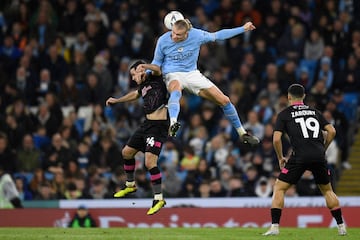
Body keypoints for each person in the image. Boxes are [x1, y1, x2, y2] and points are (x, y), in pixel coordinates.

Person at [150, 18, 259, 147]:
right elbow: (156, 63)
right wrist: (146, 73)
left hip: (192, 73)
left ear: (186, 33)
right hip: (172, 73)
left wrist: (243, 28)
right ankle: (173, 122)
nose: (173, 36)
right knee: (176, 88)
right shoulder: (163, 40)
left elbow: (219, 35)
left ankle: (242, 133)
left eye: (178, 35)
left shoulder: (196, 35)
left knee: (225, 100)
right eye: (172, 32)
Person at [263, 84, 347, 236]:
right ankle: (341, 226)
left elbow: (276, 140)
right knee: (327, 190)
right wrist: (323, 148)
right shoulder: (315, 112)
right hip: (319, 155)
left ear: (289, 97)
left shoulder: (284, 114)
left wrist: (280, 157)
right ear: (304, 96)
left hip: (299, 156)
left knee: (279, 187)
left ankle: (275, 227)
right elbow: (332, 131)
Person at [106, 60, 168, 215]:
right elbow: (135, 94)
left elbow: (157, 69)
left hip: (158, 127)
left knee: (149, 162)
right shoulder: (143, 86)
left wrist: (146, 66)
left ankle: (158, 198)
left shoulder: (155, 78)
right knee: (126, 152)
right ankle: (130, 184)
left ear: (141, 70)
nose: (133, 78)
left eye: (134, 74)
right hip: (147, 125)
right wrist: (117, 100)